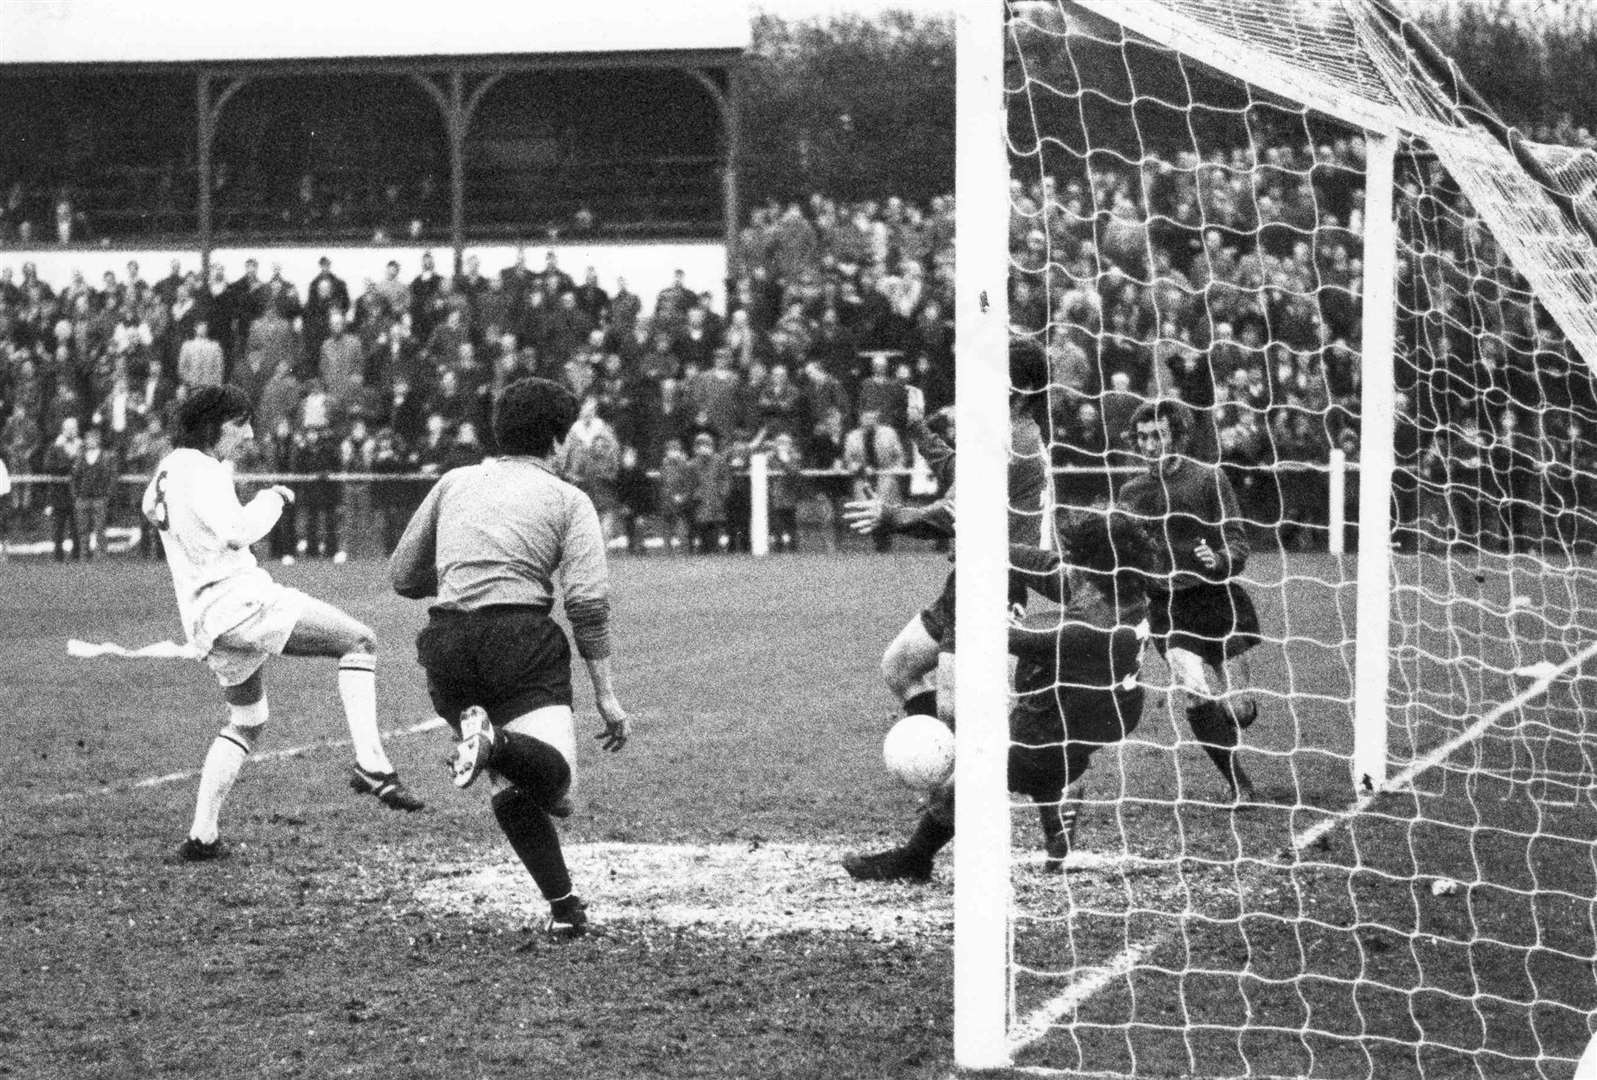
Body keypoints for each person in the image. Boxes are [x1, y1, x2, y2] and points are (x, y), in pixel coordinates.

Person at [389, 377, 629, 938]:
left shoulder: (453, 483)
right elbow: (587, 605)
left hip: (447, 648)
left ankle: (565, 908)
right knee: (557, 787)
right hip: (519, 641)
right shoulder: (570, 499)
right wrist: (607, 695)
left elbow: (403, 577)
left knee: (509, 782)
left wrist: (460, 575)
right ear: (556, 439)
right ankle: (494, 741)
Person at [142, 386, 424, 863]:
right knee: (359, 640)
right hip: (242, 602)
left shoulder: (169, 468)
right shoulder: (205, 470)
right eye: (241, 423)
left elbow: (152, 509)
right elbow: (238, 532)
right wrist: (271, 499)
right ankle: (372, 763)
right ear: (215, 426)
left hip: (205, 618)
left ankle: (203, 836)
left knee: (248, 720)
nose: (250, 433)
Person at [842, 508, 1156, 881]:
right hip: (1100, 714)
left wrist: (970, 606)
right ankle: (1056, 805)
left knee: (956, 786)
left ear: (1088, 569)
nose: (1064, 565)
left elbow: (999, 634)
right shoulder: (1118, 593)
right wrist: (983, 543)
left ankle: (915, 858)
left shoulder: (1085, 628)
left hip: (1053, 737)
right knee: (1034, 696)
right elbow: (1033, 561)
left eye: (1071, 560)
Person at [844, 342, 1052, 745]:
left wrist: (892, 516)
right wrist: (918, 428)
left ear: (1021, 390)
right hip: (965, 581)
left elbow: (955, 514)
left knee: (958, 709)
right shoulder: (1003, 436)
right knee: (899, 669)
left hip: (997, 582)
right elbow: (960, 467)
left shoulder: (1016, 443)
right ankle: (952, 785)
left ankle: (1028, 784)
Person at [1118, 398, 1262, 804]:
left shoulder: (1208, 479)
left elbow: (1237, 541)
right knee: (1194, 691)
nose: (1149, 445)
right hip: (1167, 609)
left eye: (1158, 436)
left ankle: (1233, 722)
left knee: (1239, 711)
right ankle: (1239, 783)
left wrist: (1217, 559)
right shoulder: (1131, 492)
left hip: (1216, 600)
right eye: (1143, 438)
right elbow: (1123, 548)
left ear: (1177, 438)